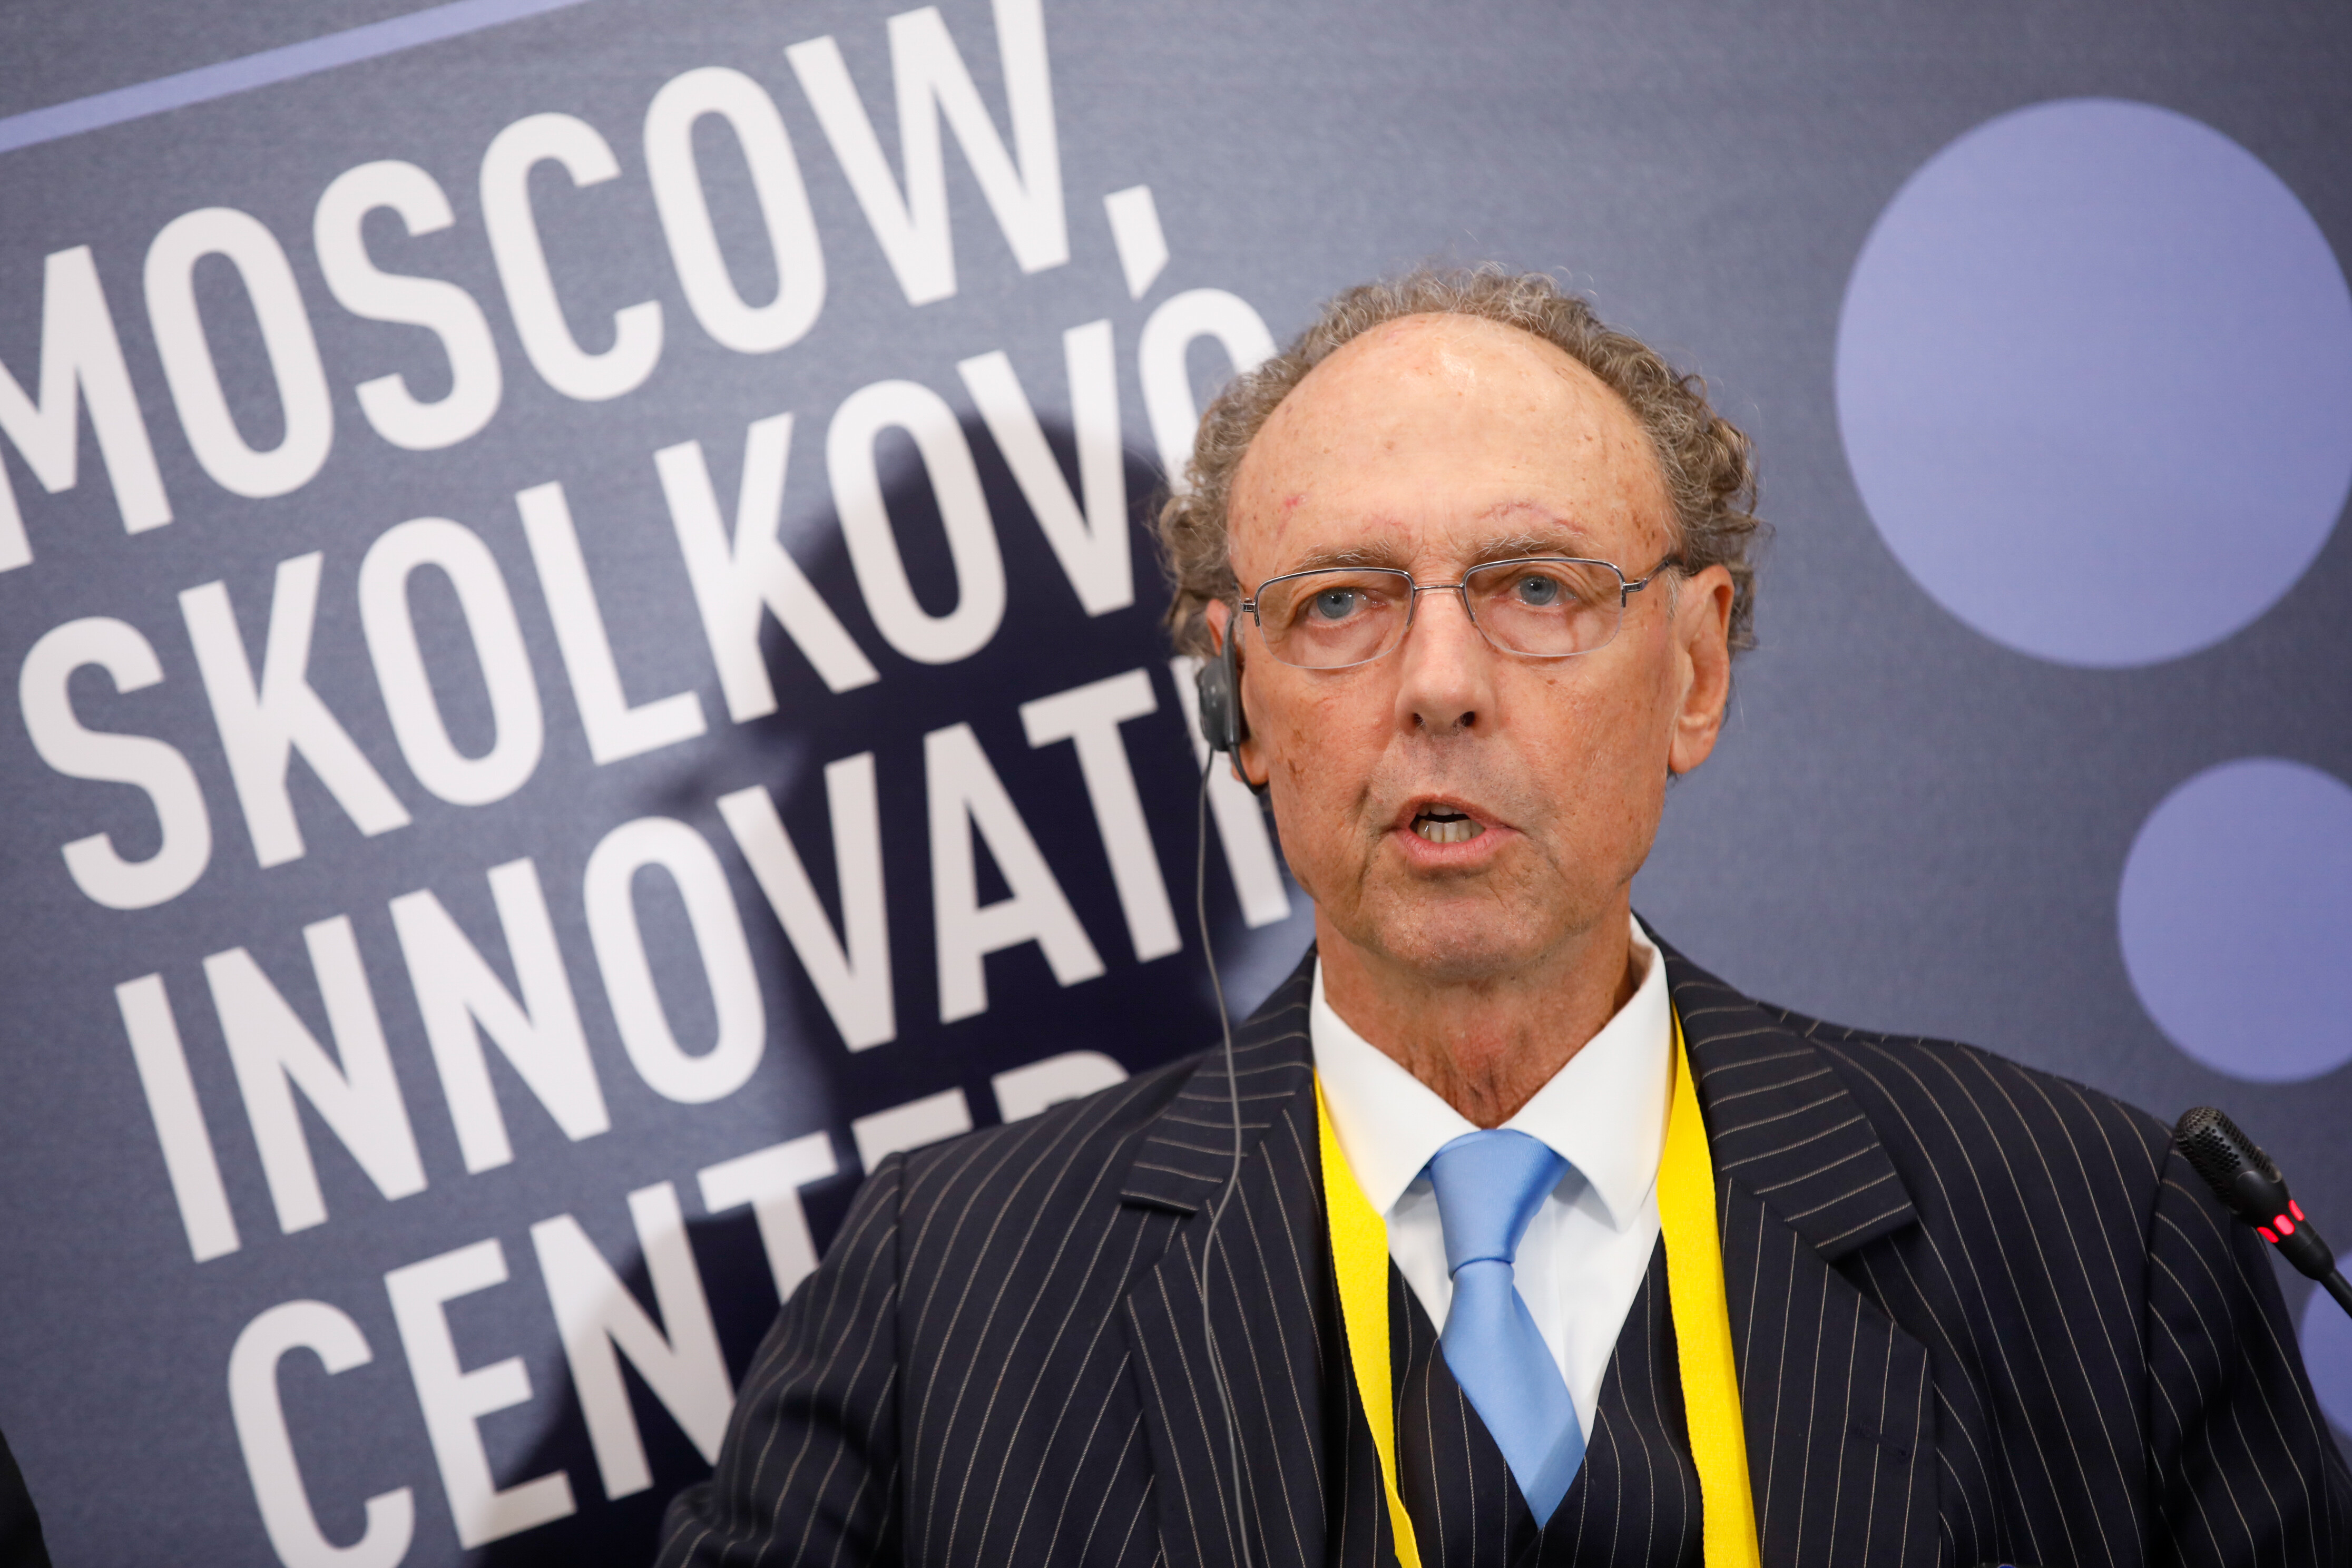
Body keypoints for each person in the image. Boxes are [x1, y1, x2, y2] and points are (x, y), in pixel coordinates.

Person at [653, 268, 2350, 1567]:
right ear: (1241, 708)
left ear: (1695, 668)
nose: (1441, 684)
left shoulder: (2092, 1233)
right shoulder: (947, 1292)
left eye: (1538, 587)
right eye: (1341, 605)